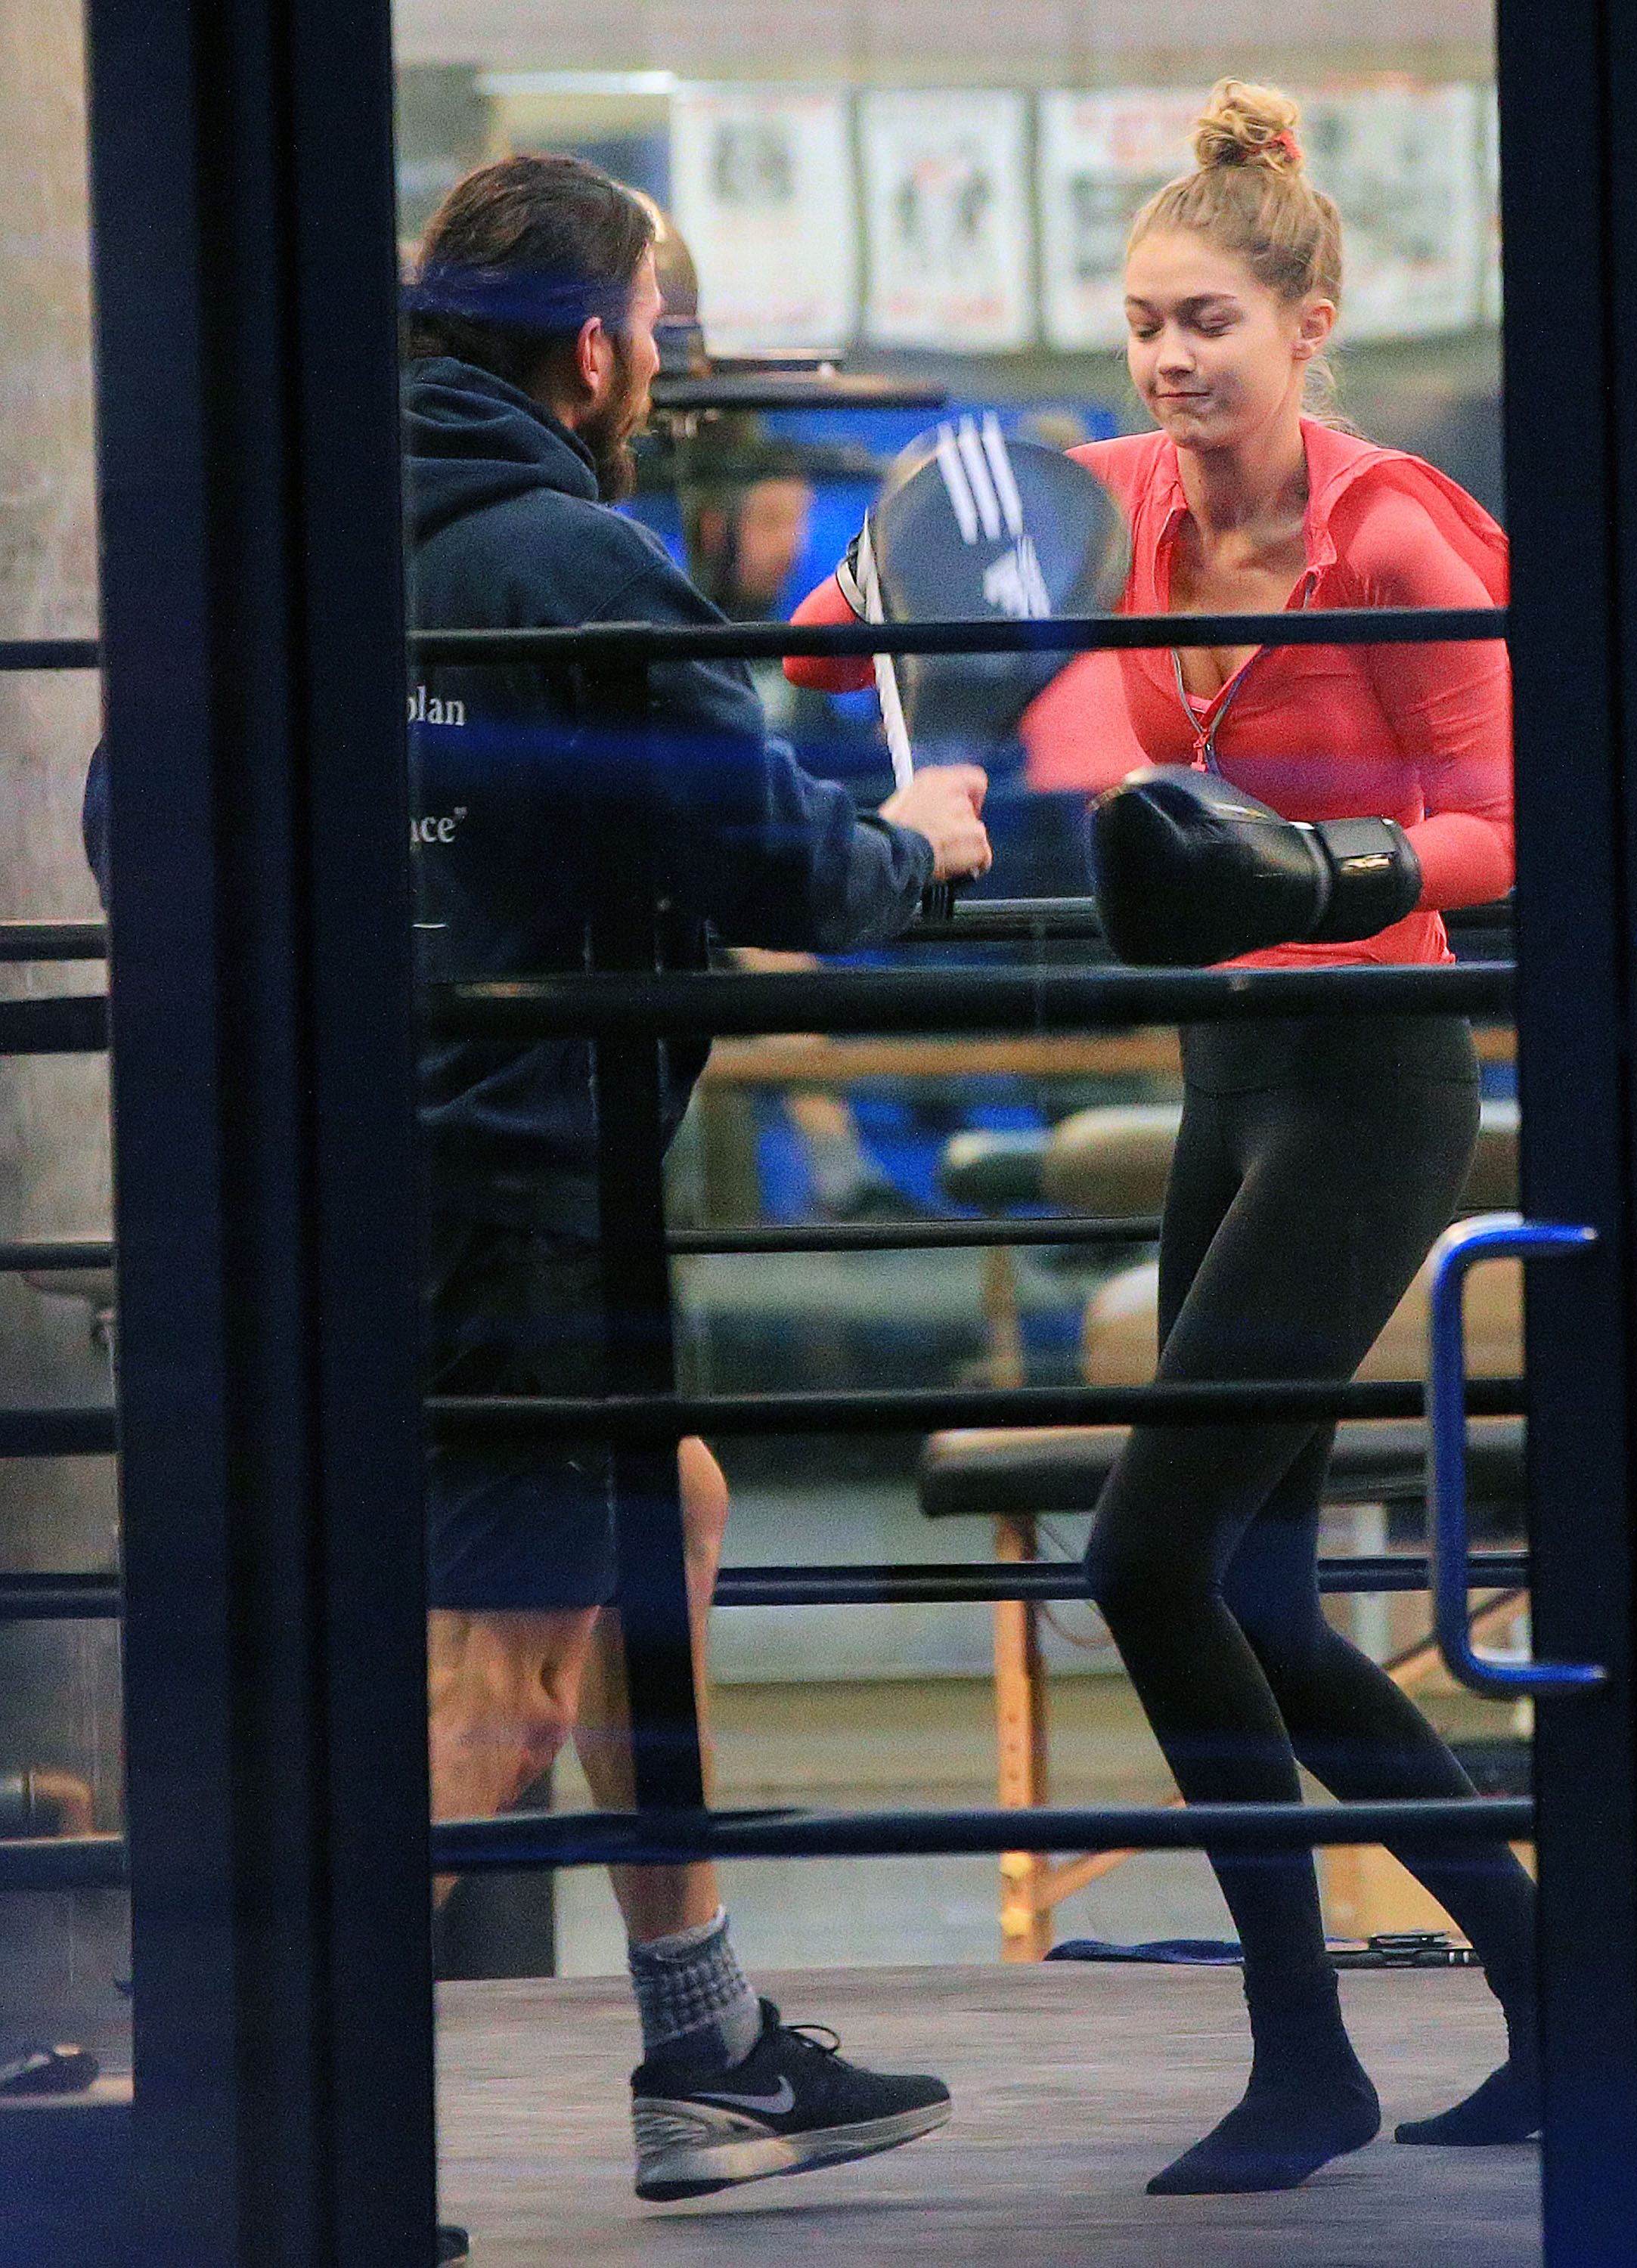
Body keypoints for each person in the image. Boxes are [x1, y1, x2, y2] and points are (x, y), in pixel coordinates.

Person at [786, 79, 1533, 2198]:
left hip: (1373, 1068)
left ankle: (1305, 2056)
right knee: (1265, 1601)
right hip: (1230, 1068)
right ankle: (1562, 1988)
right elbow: (847, 633)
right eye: (1141, 324)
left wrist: (1329, 870)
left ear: (1309, 325)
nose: (1167, 360)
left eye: (1207, 320)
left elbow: (1512, 819)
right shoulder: (1106, 502)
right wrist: (900, 586)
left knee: (1144, 1555)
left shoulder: (1393, 533)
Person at [401, 154, 991, 2233]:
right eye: (652, 325)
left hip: (344, 1185)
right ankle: (288, 2126)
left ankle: (706, 2046)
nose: (661, 363)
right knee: (498, 1691)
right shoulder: (578, 562)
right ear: (591, 351)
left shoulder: (292, 542)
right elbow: (777, 861)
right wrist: (920, 844)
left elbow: (139, 818)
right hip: (517, 1198)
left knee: (673, 1513)